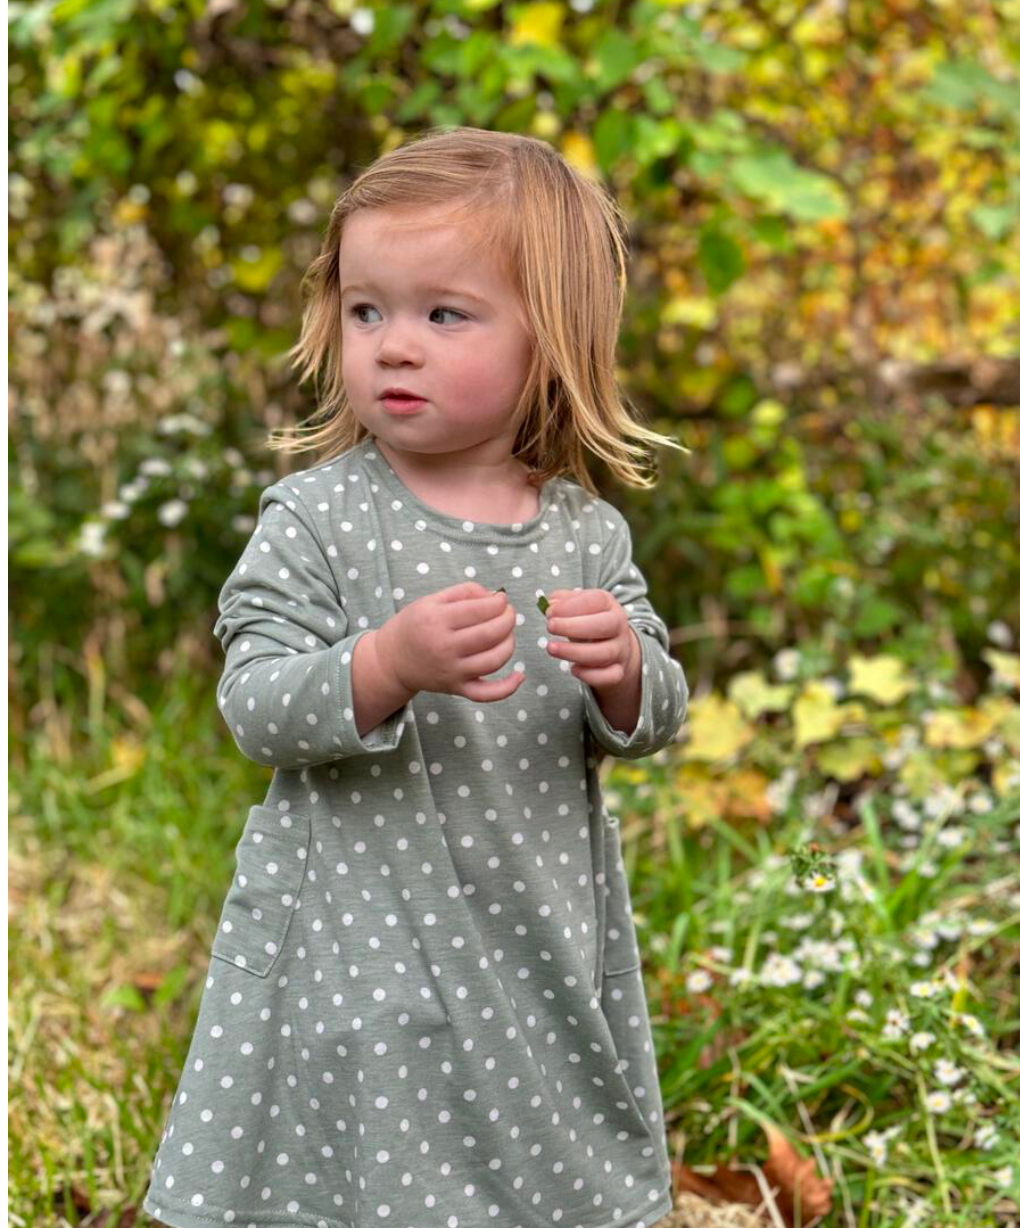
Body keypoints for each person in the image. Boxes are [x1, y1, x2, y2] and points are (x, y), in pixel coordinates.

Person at [143, 126, 691, 1228]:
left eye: (445, 314)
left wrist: (627, 671)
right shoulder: (321, 518)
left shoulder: (582, 536)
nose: (394, 345)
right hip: (361, 919)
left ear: (554, 340)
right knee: (377, 1139)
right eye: (366, 309)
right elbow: (254, 701)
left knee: (523, 1135)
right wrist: (384, 662)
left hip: (535, 921)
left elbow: (654, 718)